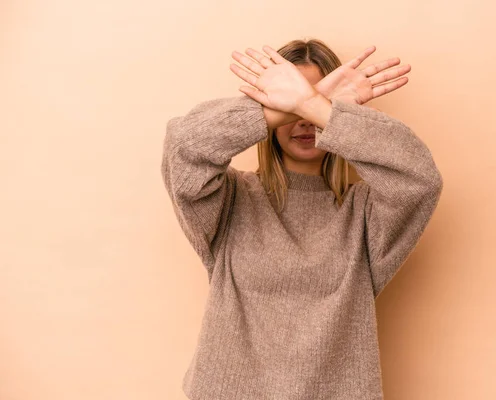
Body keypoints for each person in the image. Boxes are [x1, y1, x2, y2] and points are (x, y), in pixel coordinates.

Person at [161, 39, 443, 400]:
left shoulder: (366, 213)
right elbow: (184, 145)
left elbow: (420, 179)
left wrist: (314, 106)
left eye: (314, 104)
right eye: (291, 102)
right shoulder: (230, 199)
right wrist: (284, 108)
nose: (303, 123)